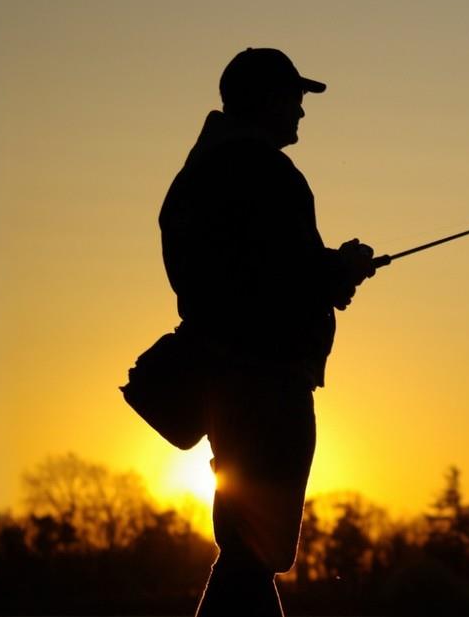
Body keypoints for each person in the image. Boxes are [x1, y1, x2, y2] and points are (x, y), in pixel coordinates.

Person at [158, 48, 377, 615]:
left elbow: (246, 271)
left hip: (226, 380)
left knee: (249, 546)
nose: (301, 113)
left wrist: (326, 273)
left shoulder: (202, 169)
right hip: (265, 382)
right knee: (255, 549)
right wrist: (339, 270)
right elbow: (279, 277)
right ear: (268, 100)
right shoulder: (264, 171)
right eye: (295, 99)